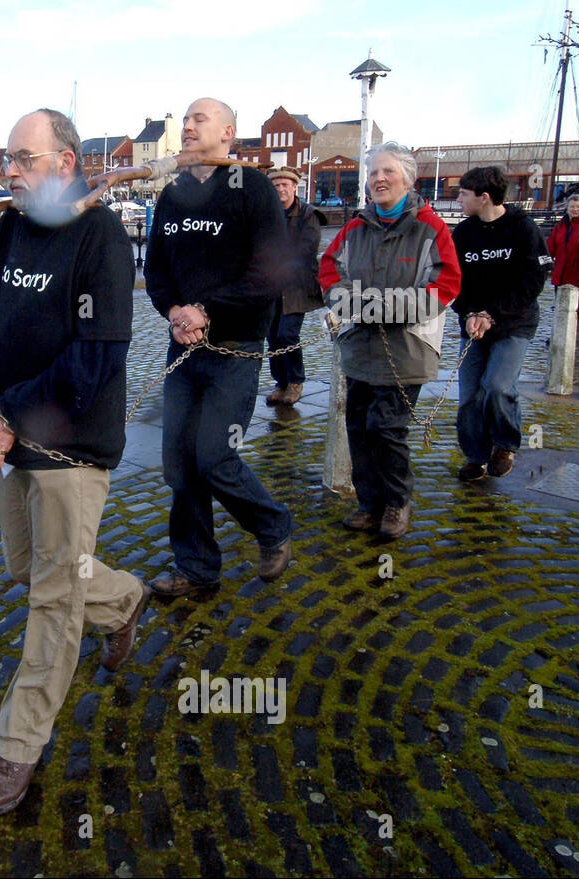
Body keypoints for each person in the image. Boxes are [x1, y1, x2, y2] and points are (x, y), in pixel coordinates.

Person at [0, 108, 152, 816]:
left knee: (52, 597)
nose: (8, 170)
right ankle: (125, 598)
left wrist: (10, 415)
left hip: (72, 444)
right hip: (11, 430)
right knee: (26, 567)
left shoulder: (99, 235)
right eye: (6, 159)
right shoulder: (10, 228)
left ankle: (17, 745)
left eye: (21, 158)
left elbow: (95, 361)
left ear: (65, 162)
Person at [142, 97, 293, 597]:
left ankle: (272, 527)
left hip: (235, 346)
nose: (186, 126)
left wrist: (208, 311)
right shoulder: (172, 195)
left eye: (198, 119)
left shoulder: (251, 189)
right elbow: (157, 269)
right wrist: (173, 313)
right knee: (180, 464)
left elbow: (268, 274)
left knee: (214, 457)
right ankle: (197, 567)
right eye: (184, 120)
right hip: (183, 348)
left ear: (228, 131)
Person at [319, 143, 462, 539]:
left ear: (407, 178)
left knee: (387, 428)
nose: (379, 179)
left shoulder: (430, 228)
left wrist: (388, 307)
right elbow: (329, 271)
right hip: (360, 348)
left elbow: (446, 285)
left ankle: (397, 503)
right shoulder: (354, 229)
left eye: (388, 172)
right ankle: (369, 504)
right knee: (359, 428)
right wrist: (349, 301)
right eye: (373, 173)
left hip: (407, 349)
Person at [451, 167, 551, 481]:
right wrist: (468, 313)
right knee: (469, 396)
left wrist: (492, 314)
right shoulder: (463, 233)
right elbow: (452, 281)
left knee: (496, 386)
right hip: (473, 324)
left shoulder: (522, 228)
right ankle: (475, 456)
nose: (458, 199)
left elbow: (533, 280)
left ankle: (505, 443)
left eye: (464, 194)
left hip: (514, 324)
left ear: (484, 197)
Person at [264, 165, 327, 406]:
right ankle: (280, 383)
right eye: (276, 186)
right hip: (272, 286)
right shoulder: (268, 214)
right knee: (272, 336)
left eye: (284, 185)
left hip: (297, 286)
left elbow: (306, 250)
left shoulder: (308, 214)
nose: (280, 189)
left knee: (287, 334)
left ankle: (295, 381)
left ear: (294, 187)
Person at [546, 190, 579, 332]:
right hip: (562, 275)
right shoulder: (561, 224)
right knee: (561, 309)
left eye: (578, 207)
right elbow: (551, 246)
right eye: (572, 207)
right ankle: (561, 335)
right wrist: (544, 262)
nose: (575, 210)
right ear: (567, 208)